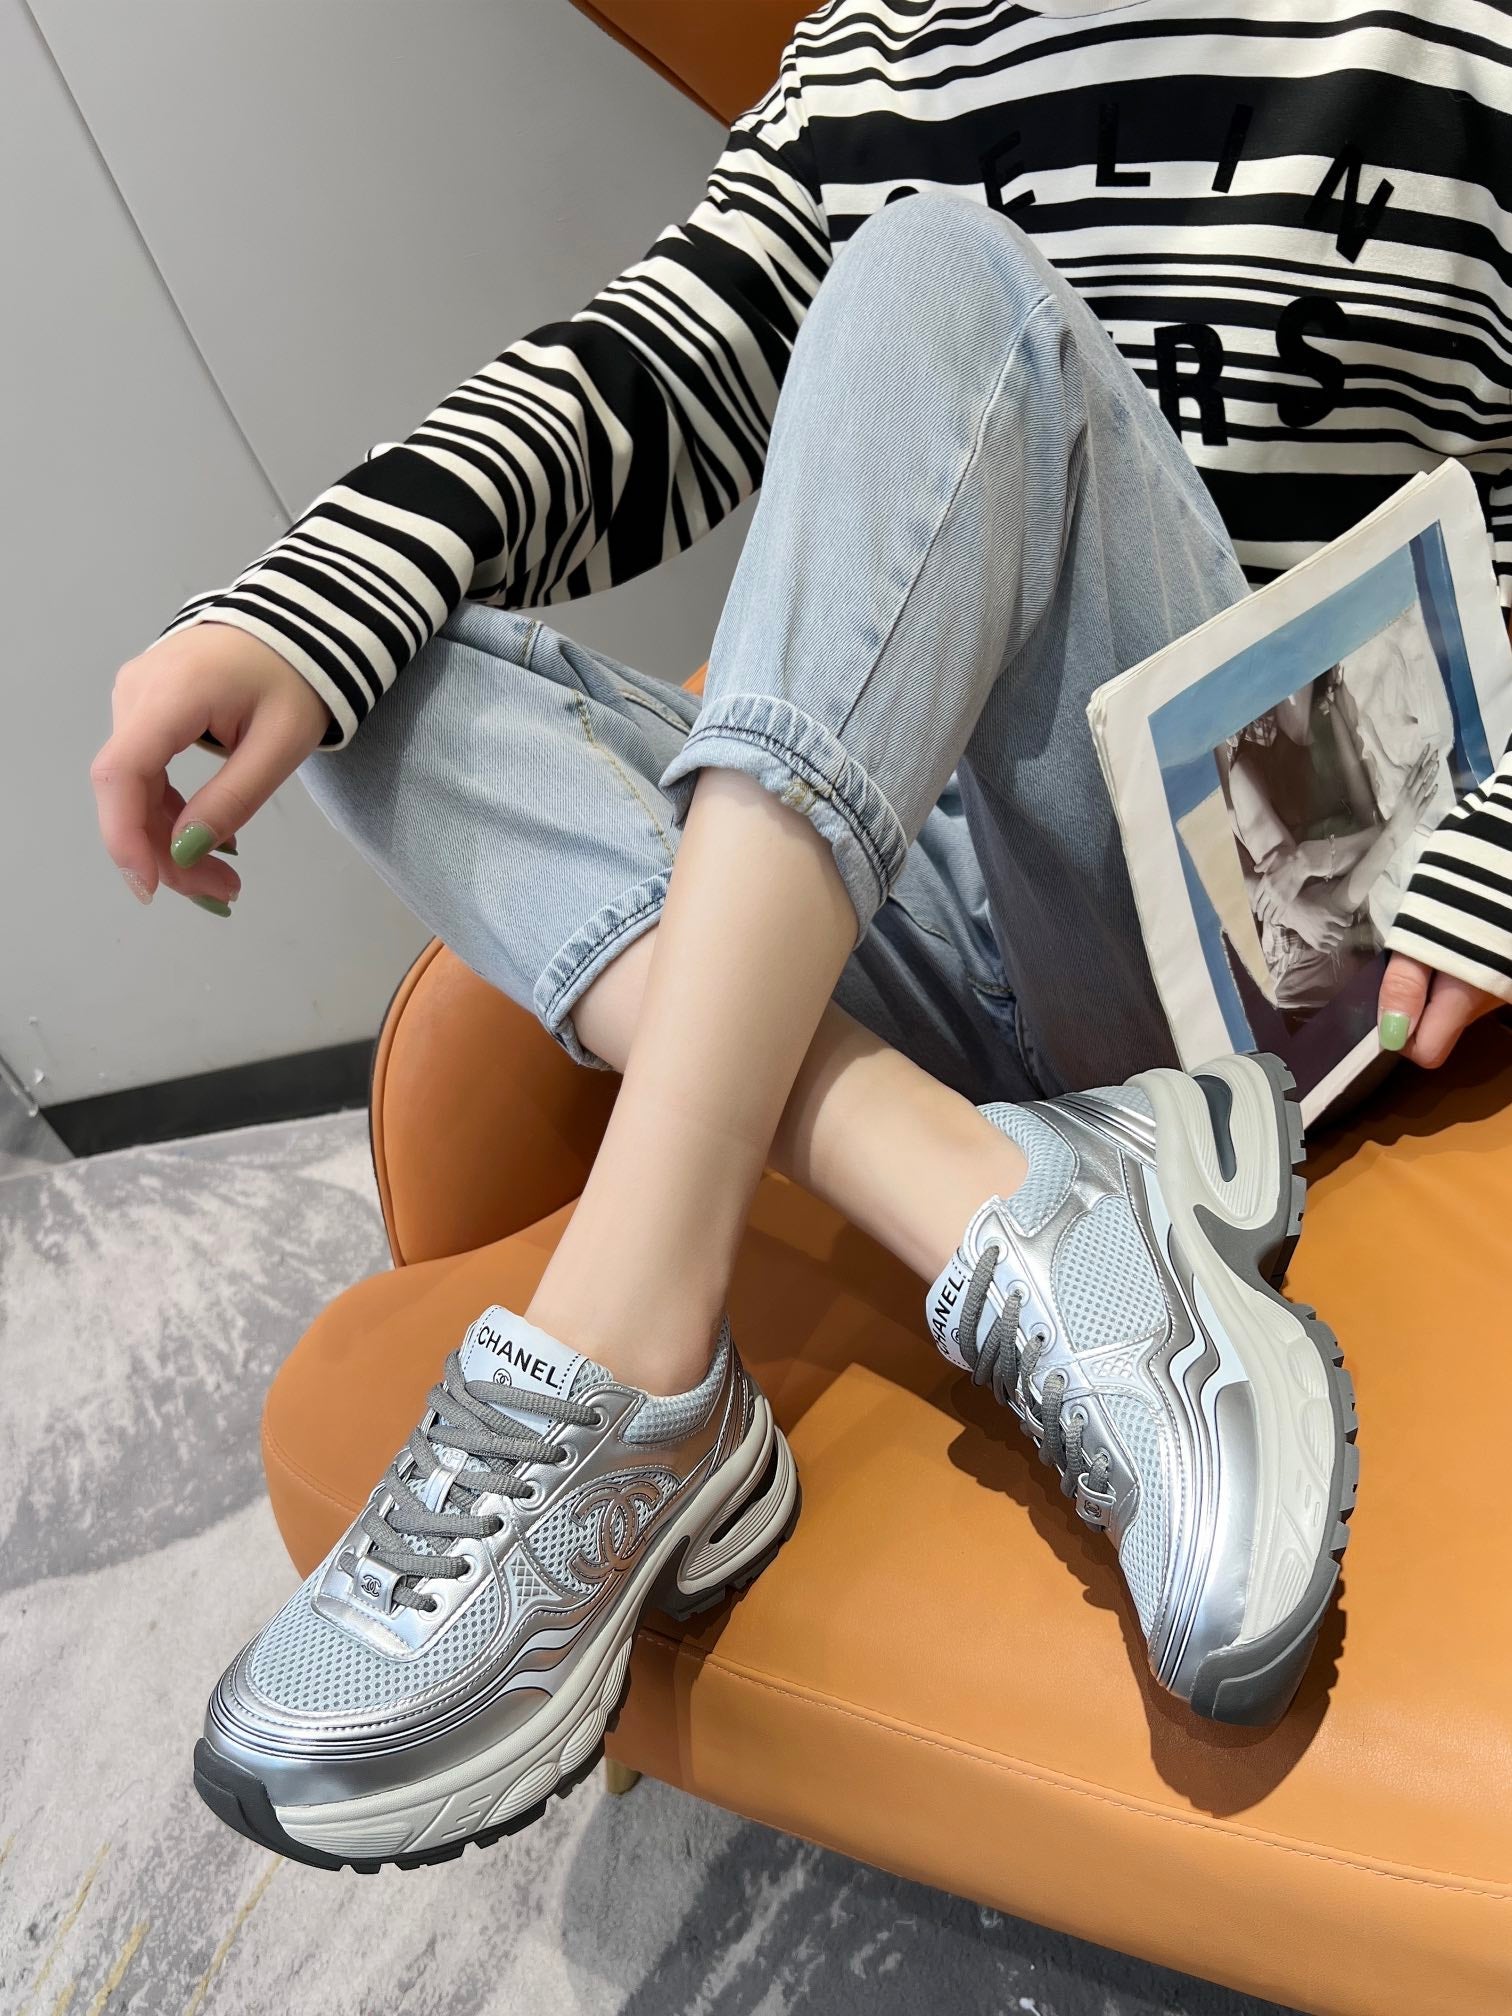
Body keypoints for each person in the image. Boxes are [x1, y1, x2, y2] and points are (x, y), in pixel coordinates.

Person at [91, 2, 1511, 1871]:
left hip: (1281, 911)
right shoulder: (902, 36)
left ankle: (628, 1355)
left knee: (941, 275)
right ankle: (1009, 1200)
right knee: (369, 671)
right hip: (917, 897)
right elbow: (653, 364)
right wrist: (308, 598)